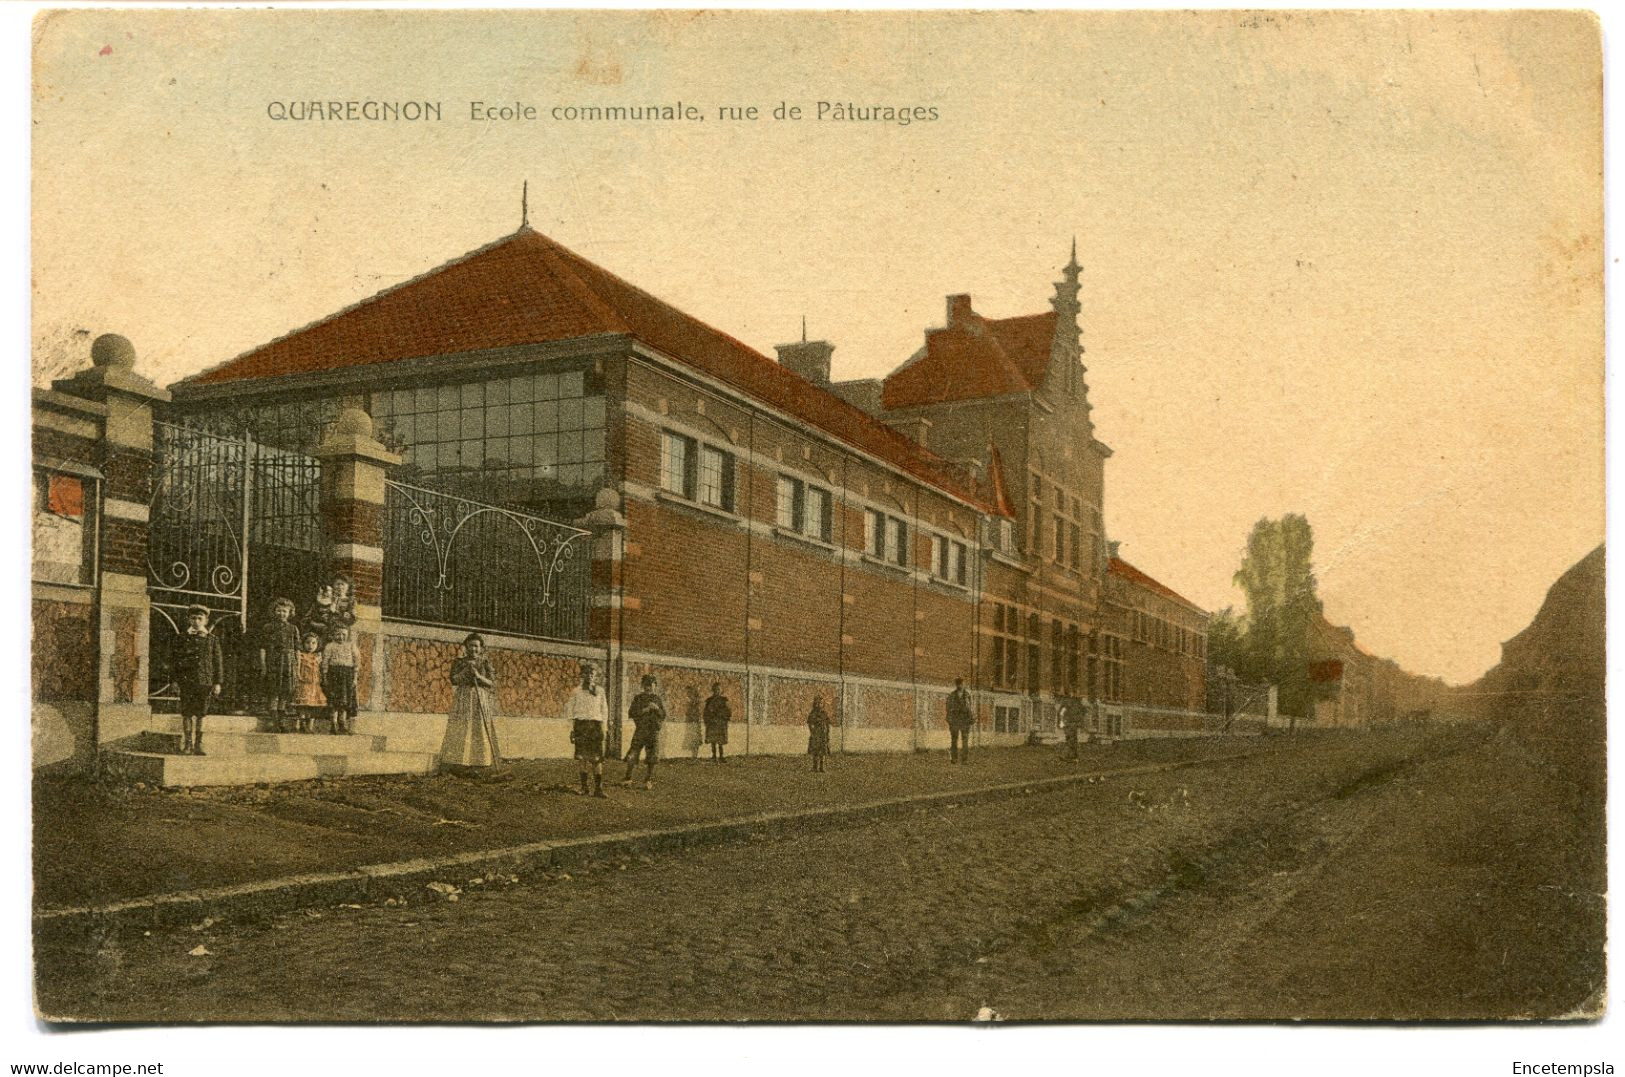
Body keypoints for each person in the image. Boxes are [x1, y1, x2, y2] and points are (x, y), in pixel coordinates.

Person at [442, 633, 500, 769]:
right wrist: (465, 672)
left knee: (479, 726)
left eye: (476, 646)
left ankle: (480, 761)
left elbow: (491, 683)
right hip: (464, 697)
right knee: (463, 726)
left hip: (479, 697)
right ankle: (458, 762)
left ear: (480, 648)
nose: (473, 649)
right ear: (466, 647)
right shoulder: (459, 662)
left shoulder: (484, 662)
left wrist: (479, 676)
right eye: (470, 646)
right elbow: (454, 679)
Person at [173, 605, 223, 755]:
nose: (196, 621)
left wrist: (218, 682)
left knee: (202, 713)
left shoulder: (212, 640)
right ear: (188, 619)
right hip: (186, 682)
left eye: (200, 618)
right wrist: (175, 681)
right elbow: (175, 660)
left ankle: (198, 744)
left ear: (206, 621)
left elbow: (218, 662)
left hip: (205, 682)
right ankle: (187, 744)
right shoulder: (182, 638)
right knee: (187, 713)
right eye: (193, 618)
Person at [257, 597, 301, 733]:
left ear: (290, 613)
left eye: (284, 611)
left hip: (288, 662)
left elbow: (297, 649)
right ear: (274, 611)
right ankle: (274, 722)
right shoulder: (268, 627)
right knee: (274, 692)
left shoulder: (293, 629)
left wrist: (297, 668)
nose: (281, 613)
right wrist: (263, 665)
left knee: (284, 693)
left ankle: (281, 722)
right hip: (273, 661)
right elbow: (263, 647)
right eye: (279, 610)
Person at [566, 663, 610, 797]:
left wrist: (605, 728)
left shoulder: (600, 691)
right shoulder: (576, 691)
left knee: (597, 759)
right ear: (581, 675)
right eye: (586, 674)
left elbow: (605, 711)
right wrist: (572, 729)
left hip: (595, 726)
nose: (589, 676)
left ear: (595, 676)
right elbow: (570, 712)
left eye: (592, 674)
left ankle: (598, 789)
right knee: (582, 758)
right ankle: (584, 787)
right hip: (581, 726)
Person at [621, 674, 666, 789]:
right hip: (641, 730)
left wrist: (656, 708)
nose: (648, 688)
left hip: (653, 731)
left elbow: (663, 715)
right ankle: (628, 778)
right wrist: (644, 710)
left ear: (655, 686)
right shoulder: (638, 698)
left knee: (652, 756)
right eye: (646, 685)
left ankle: (648, 780)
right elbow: (631, 713)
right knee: (633, 753)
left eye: (651, 685)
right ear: (642, 686)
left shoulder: (657, 699)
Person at [321, 623, 360, 735]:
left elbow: (356, 662)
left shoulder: (351, 646)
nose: (341, 637)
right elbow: (325, 662)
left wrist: (355, 678)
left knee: (344, 701)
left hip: (347, 675)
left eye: (343, 634)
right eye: (338, 634)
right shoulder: (330, 646)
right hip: (333, 674)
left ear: (347, 635)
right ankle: (333, 725)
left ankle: (342, 723)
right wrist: (324, 676)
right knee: (334, 701)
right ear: (333, 635)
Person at [292, 631, 325, 734]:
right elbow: (297, 668)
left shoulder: (318, 656)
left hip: (314, 685)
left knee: (313, 705)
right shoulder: (300, 655)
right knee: (303, 705)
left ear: (317, 644)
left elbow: (320, 669)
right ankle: (301, 725)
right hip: (304, 683)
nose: (310, 645)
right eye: (308, 642)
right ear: (303, 643)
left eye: (313, 643)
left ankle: (309, 726)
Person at [947, 677, 974, 764]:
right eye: (959, 684)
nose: (960, 686)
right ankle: (954, 759)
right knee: (954, 739)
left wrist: (971, 718)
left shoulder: (967, 695)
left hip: (965, 720)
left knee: (965, 740)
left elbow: (970, 708)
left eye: (962, 684)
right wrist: (949, 719)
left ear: (964, 684)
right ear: (956, 685)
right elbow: (948, 707)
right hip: (955, 720)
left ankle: (964, 759)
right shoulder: (952, 695)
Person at [702, 682, 731, 762]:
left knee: (720, 740)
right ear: (713, 690)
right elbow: (706, 712)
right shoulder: (709, 700)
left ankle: (721, 756)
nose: (717, 691)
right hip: (712, 723)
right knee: (713, 740)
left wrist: (723, 717)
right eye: (715, 689)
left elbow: (728, 712)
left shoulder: (724, 700)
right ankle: (714, 756)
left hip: (720, 723)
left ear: (721, 690)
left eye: (718, 689)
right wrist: (707, 720)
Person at [807, 694, 832, 772]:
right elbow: (810, 723)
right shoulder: (813, 713)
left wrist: (827, 733)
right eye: (817, 703)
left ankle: (822, 767)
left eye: (821, 703)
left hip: (823, 734)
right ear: (814, 704)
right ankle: (815, 767)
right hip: (816, 734)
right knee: (815, 751)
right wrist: (812, 731)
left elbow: (827, 724)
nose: (819, 705)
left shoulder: (824, 713)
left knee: (823, 751)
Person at [1060, 695, 1083, 762]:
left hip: (1073, 726)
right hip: (1069, 725)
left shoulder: (1077, 707)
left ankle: (1073, 756)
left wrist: (1078, 723)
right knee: (1070, 740)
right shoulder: (1067, 706)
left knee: (1073, 741)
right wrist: (1062, 722)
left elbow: (1080, 716)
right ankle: (1070, 756)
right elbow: (1061, 713)